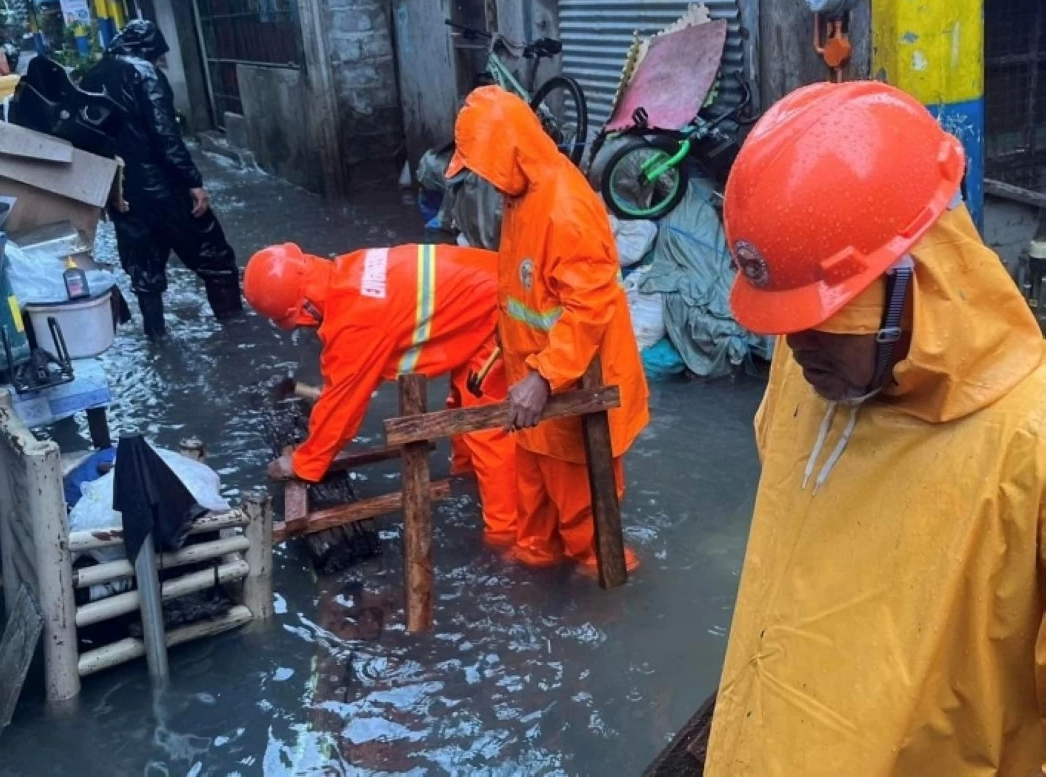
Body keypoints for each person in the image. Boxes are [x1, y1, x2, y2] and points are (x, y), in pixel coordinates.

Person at [705, 80, 1046, 774]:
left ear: (911, 275)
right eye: (783, 319)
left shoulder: (1026, 446)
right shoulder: (806, 367)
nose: (796, 347)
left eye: (824, 319)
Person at [446, 86, 649, 576]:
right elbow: (526, 296)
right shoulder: (522, 194)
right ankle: (535, 585)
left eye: (485, 168)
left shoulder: (565, 208)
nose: (486, 183)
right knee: (535, 526)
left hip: (569, 392)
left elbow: (589, 306)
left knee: (588, 533)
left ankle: (607, 610)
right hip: (534, 395)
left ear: (507, 154)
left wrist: (542, 376)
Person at [242, 242, 517, 545]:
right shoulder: (346, 271)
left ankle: (505, 540)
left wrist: (303, 463)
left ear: (304, 310)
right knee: (464, 409)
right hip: (490, 289)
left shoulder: (355, 323)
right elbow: (343, 380)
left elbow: (342, 408)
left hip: (503, 308)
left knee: (487, 428)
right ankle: (469, 481)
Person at [82, 20, 241, 338]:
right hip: (164, 189)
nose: (158, 62)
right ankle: (237, 330)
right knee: (214, 255)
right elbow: (165, 133)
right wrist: (192, 180)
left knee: (143, 265)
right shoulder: (145, 73)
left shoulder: (94, 75)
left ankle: (156, 336)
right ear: (148, 50)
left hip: (121, 191)